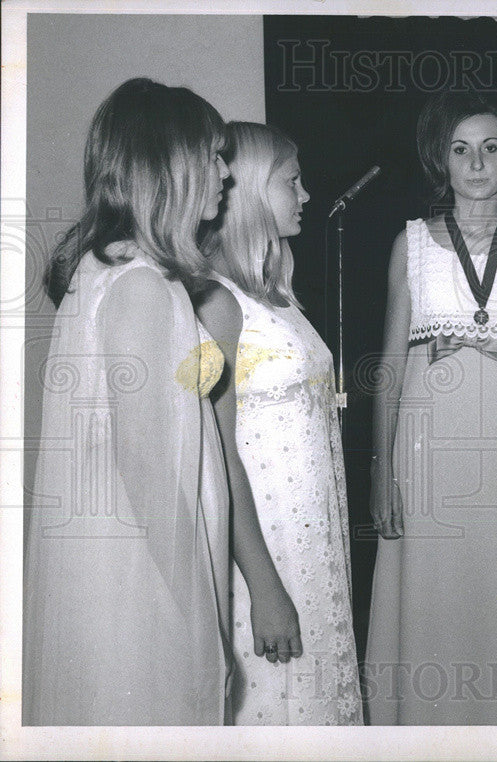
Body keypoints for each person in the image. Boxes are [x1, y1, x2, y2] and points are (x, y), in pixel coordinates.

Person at [23, 79, 299, 725]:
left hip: (129, 569)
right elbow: (150, 472)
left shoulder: (111, 272)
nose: (224, 171)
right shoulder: (142, 287)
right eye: (210, 154)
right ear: (168, 165)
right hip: (141, 586)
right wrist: (199, 625)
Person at [364, 92, 497, 725]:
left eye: (490, 147)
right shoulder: (412, 244)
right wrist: (381, 469)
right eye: (460, 149)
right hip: (426, 446)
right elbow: (391, 365)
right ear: (439, 160)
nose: (476, 163)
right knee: (432, 595)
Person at [198, 122, 363, 725]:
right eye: (292, 182)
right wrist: (264, 587)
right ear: (247, 193)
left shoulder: (281, 296)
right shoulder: (215, 304)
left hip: (313, 544)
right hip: (263, 555)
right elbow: (210, 445)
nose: (307, 195)